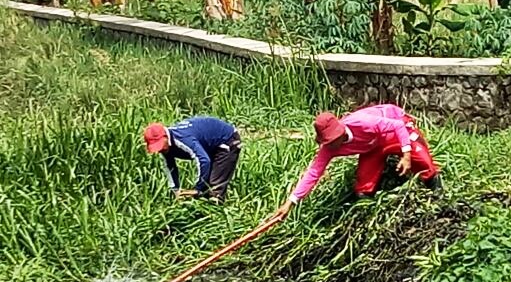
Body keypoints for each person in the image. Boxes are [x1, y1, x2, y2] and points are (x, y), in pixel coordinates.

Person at [268, 104, 440, 224]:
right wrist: (289, 203)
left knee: (423, 160)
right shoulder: (329, 149)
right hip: (371, 147)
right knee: (363, 187)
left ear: (341, 131)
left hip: (392, 129)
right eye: (328, 141)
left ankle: (440, 198)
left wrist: (406, 155)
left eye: (334, 139)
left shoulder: (362, 122)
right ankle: (370, 219)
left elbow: (397, 126)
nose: (333, 145)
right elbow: (313, 173)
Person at [143, 116, 241, 201]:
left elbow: (204, 160)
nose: (160, 150)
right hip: (210, 145)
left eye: (160, 145)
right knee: (205, 190)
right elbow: (170, 167)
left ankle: (217, 213)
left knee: (214, 188)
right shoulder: (166, 148)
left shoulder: (182, 139)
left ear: (165, 137)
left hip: (227, 140)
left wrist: (197, 189)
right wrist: (175, 190)